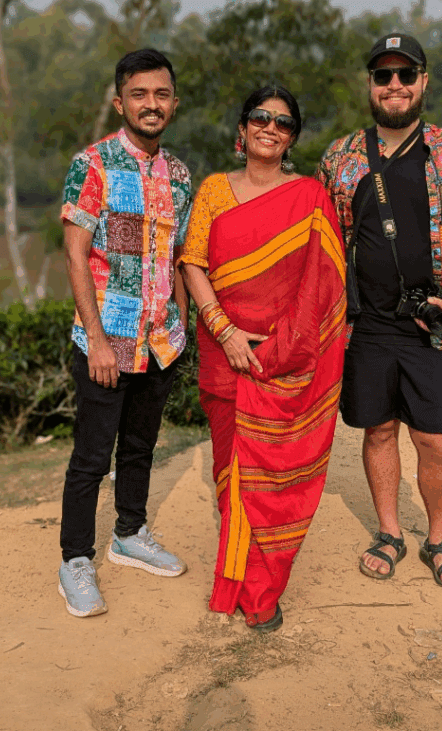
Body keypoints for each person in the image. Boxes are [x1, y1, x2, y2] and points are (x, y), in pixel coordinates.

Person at [317, 34, 442, 590]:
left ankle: (439, 539)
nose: (394, 85)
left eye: (405, 74)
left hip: (433, 322)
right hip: (367, 323)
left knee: (435, 439)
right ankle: (389, 532)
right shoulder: (341, 158)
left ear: (423, 81)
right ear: (370, 85)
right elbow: (321, 239)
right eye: (383, 75)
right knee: (378, 431)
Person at [180, 86, 346, 633]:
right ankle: (240, 582)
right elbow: (193, 263)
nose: (270, 127)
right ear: (243, 128)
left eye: (283, 122)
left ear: (292, 137)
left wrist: (282, 348)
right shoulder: (213, 190)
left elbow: (322, 284)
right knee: (233, 473)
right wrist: (225, 331)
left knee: (273, 478)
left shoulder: (309, 198)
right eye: (260, 117)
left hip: (284, 361)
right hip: (224, 352)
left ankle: (261, 590)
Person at [58, 49, 192, 618]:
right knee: (92, 457)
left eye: (160, 94)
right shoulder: (92, 164)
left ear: (174, 104)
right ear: (121, 103)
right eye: (139, 94)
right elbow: (75, 254)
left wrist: (182, 327)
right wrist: (95, 339)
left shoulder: (180, 175)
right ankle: (75, 560)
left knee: (140, 447)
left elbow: (179, 256)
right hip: (106, 342)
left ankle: (130, 533)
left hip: (160, 343)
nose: (150, 104)